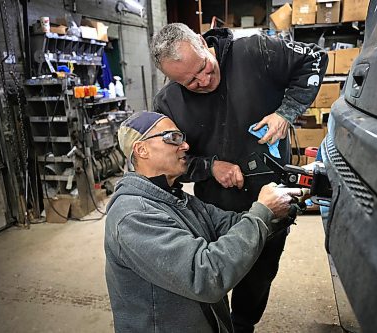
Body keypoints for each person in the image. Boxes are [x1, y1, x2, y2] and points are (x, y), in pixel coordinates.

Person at [151, 23, 327, 332]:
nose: (204, 80)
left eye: (204, 67)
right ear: (173, 80)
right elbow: (173, 163)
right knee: (214, 272)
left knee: (259, 274)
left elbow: (314, 59)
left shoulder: (256, 51)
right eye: (190, 81)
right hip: (215, 205)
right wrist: (210, 167)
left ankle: (243, 325)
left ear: (205, 44)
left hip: (272, 193)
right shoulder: (168, 103)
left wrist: (286, 112)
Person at [105, 111, 302, 333]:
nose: (186, 146)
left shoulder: (178, 199)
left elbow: (232, 225)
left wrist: (286, 205)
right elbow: (206, 275)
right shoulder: (133, 216)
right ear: (142, 150)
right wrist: (262, 211)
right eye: (173, 138)